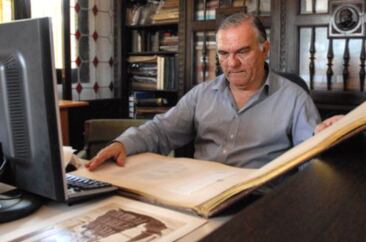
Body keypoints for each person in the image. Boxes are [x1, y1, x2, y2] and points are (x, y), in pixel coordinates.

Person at [87, 13, 333, 171]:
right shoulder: (202, 94)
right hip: (200, 195)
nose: (231, 63)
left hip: (258, 202)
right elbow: (161, 130)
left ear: (264, 49)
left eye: (242, 52)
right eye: (224, 54)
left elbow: (311, 160)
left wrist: (330, 139)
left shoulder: (294, 99)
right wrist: (123, 143)